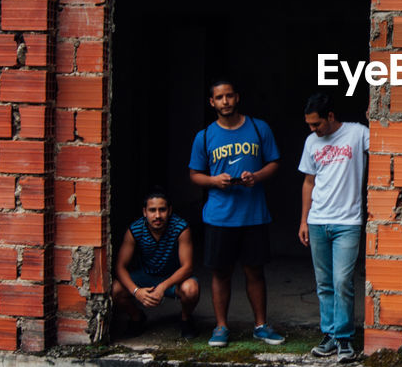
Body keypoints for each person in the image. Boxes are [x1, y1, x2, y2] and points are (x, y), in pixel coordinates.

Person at [189, 78, 285, 347]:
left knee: (255, 271)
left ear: (237, 97)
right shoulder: (205, 136)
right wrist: (213, 181)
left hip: (253, 214)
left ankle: (261, 325)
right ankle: (221, 328)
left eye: (229, 96)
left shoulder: (258, 127)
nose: (225, 101)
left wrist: (256, 176)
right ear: (212, 102)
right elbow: (194, 174)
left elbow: (275, 163)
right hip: (219, 216)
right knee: (221, 273)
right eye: (219, 97)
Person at [297, 92, 371, 363]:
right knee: (324, 283)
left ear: (330, 116)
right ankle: (329, 335)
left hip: (347, 222)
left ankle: (344, 338)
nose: (313, 130)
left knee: (342, 281)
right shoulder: (311, 142)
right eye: (309, 125)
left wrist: (375, 115)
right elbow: (308, 182)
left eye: (316, 124)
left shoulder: (357, 134)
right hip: (317, 221)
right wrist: (304, 220)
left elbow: (387, 144)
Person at [111, 189, 200, 339]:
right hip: (146, 276)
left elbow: (187, 267)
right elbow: (120, 267)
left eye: (162, 210)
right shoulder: (135, 230)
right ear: (145, 212)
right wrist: (136, 291)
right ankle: (136, 317)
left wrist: (163, 287)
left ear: (169, 210)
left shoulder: (180, 228)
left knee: (191, 289)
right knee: (115, 289)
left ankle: (186, 319)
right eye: (152, 210)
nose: (157, 215)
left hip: (173, 278)